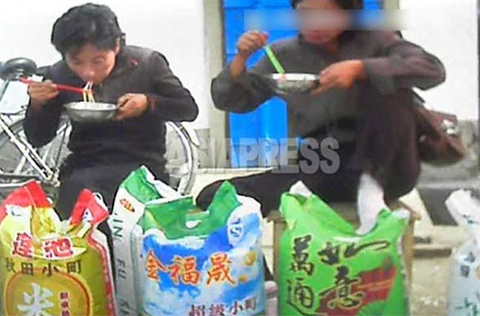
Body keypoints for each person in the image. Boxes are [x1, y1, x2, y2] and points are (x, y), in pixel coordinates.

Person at [197, 0, 445, 239]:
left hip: (390, 168)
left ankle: (371, 182)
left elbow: (432, 70)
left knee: (388, 81)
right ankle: (267, 279)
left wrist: (361, 69)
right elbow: (231, 100)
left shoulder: (378, 41)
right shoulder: (285, 54)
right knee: (215, 196)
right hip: (325, 166)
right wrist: (241, 58)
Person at [24, 4, 198, 223]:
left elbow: (188, 108)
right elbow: (38, 137)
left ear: (116, 46)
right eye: (77, 62)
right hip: (85, 164)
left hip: (142, 167)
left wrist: (148, 103)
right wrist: (38, 104)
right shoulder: (59, 73)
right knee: (78, 198)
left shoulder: (146, 63)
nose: (88, 72)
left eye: (98, 61)